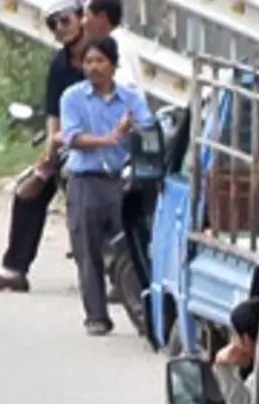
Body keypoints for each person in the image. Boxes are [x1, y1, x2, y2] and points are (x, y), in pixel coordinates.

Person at [0, 0, 87, 294]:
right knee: (29, 193)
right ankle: (13, 269)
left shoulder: (107, 54)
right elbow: (54, 115)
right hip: (69, 145)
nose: (59, 29)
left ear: (81, 17)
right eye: (52, 24)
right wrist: (49, 155)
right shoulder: (59, 66)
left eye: (64, 20)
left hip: (105, 143)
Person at [58, 35, 153, 335]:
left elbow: (147, 128)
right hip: (86, 181)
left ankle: (142, 314)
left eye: (100, 61)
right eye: (88, 61)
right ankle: (96, 316)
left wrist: (132, 130)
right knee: (88, 251)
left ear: (113, 66)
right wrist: (110, 138)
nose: (93, 67)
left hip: (122, 182)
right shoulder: (72, 97)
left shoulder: (130, 99)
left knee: (133, 250)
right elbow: (71, 136)